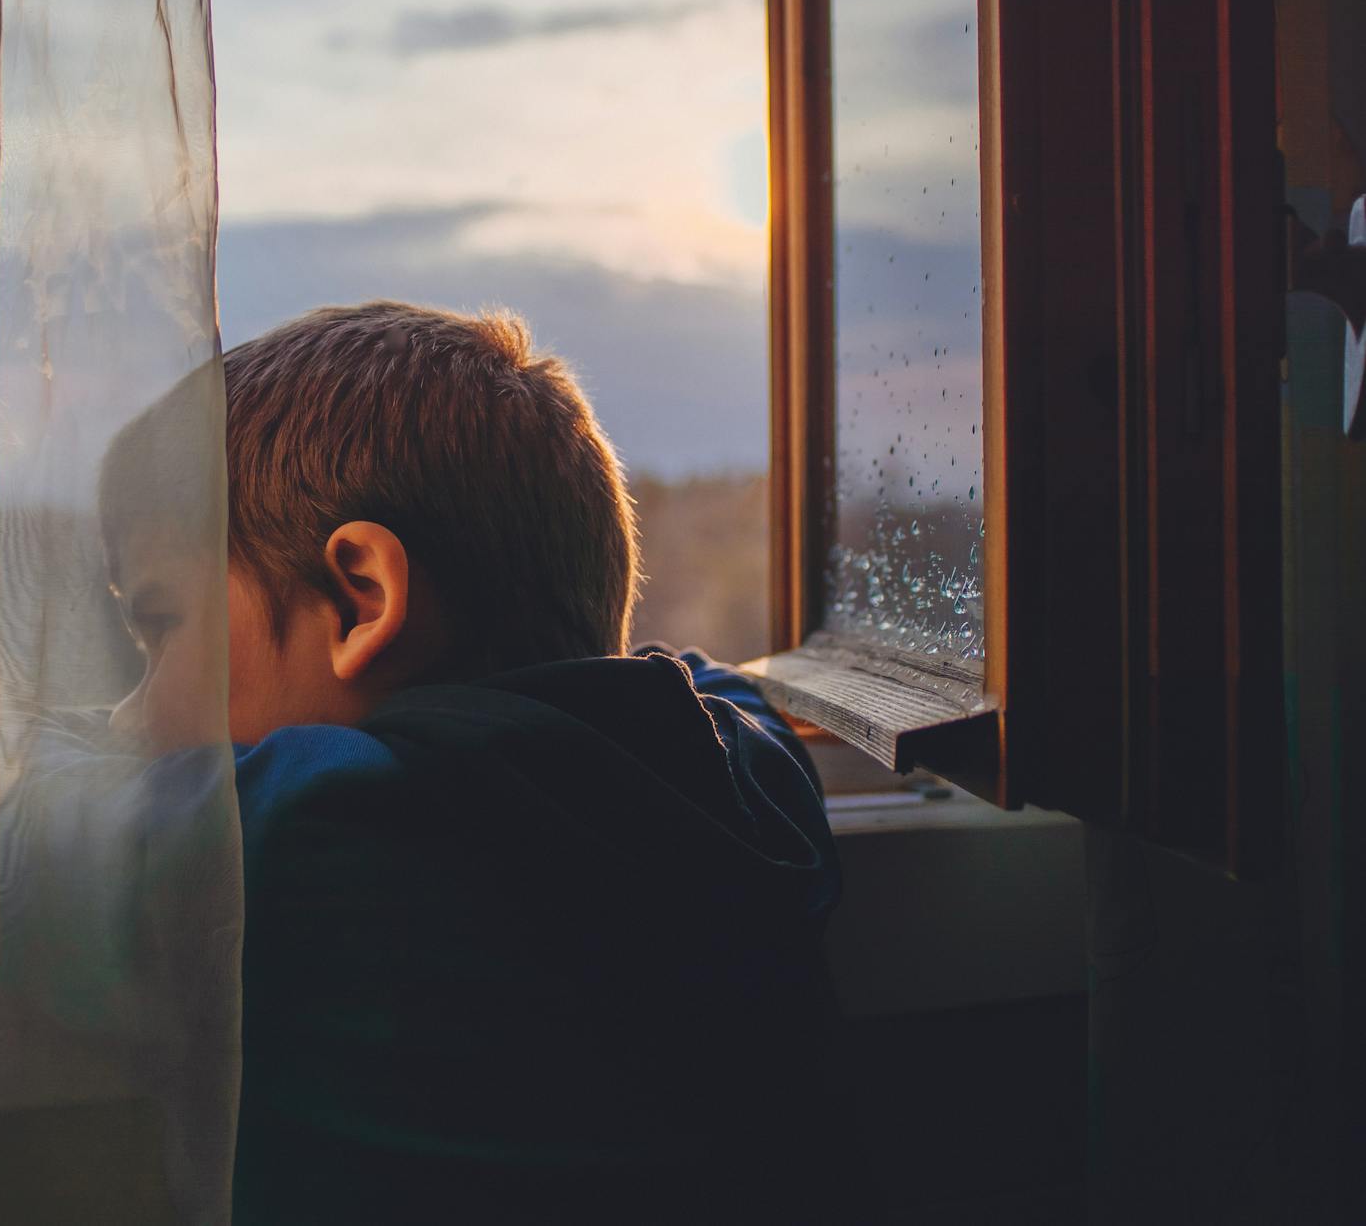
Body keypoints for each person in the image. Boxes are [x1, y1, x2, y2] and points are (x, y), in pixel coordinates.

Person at [97, 301, 848, 1223]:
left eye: (161, 626)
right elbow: (713, 687)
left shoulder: (315, 829)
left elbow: (2, 836)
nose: (132, 714)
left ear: (361, 599)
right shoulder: (755, 780)